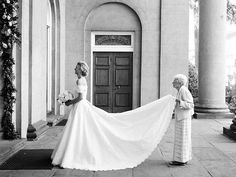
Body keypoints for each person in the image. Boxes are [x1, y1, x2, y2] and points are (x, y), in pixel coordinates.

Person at [51, 61, 176, 170]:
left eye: (76, 67)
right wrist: (68, 97)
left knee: (78, 130)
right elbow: (79, 95)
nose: (74, 68)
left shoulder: (80, 80)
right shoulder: (81, 80)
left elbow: (80, 97)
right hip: (80, 107)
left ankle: (73, 156)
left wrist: (69, 102)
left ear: (80, 69)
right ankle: (73, 154)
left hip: (80, 106)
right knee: (78, 130)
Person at [169, 74, 194, 166]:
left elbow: (191, 105)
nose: (173, 83)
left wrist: (179, 101)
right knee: (181, 138)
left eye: (174, 81)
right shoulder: (180, 90)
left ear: (179, 83)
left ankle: (181, 160)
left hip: (184, 118)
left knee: (182, 138)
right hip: (181, 117)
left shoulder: (184, 90)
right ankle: (181, 159)